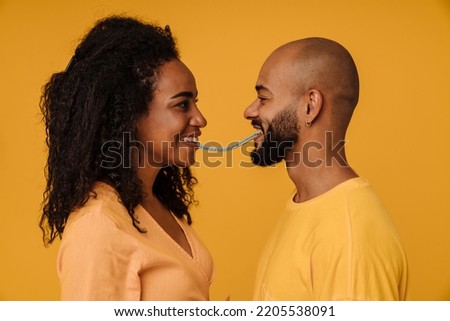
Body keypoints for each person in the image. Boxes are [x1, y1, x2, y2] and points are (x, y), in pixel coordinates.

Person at [39, 15, 213, 300]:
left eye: (195, 102)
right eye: (182, 104)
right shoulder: (98, 226)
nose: (200, 119)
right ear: (130, 115)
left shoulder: (155, 203)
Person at [244, 37, 407, 300]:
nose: (249, 111)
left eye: (263, 98)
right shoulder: (307, 207)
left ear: (310, 106)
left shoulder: (349, 234)